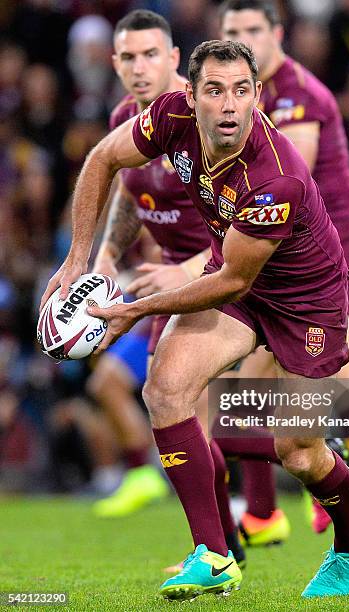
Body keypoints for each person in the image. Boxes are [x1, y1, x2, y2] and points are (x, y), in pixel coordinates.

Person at [40, 40, 349, 601]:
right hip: (241, 278)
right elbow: (104, 158)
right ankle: (215, 555)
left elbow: (230, 283)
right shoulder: (170, 116)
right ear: (191, 94)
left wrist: (131, 310)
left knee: (299, 451)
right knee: (166, 388)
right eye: (216, 91)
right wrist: (79, 257)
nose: (229, 105)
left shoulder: (275, 177)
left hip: (306, 302)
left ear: (256, 96)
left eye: (242, 91)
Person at [219, 0, 349, 554]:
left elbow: (291, 176)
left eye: (252, 29)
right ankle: (261, 514)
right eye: (232, 31)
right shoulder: (241, 99)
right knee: (246, 386)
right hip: (291, 251)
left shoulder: (298, 93)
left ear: (276, 32)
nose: (243, 38)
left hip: (347, 243)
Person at [85, 9, 211, 518]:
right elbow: (128, 192)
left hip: (228, 280)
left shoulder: (206, 117)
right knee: (120, 386)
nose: (140, 67)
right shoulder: (123, 122)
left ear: (175, 58)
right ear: (115, 64)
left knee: (196, 414)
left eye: (151, 55)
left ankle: (234, 534)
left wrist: (191, 267)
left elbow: (252, 215)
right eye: (129, 57)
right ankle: (147, 478)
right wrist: (108, 255)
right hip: (166, 285)